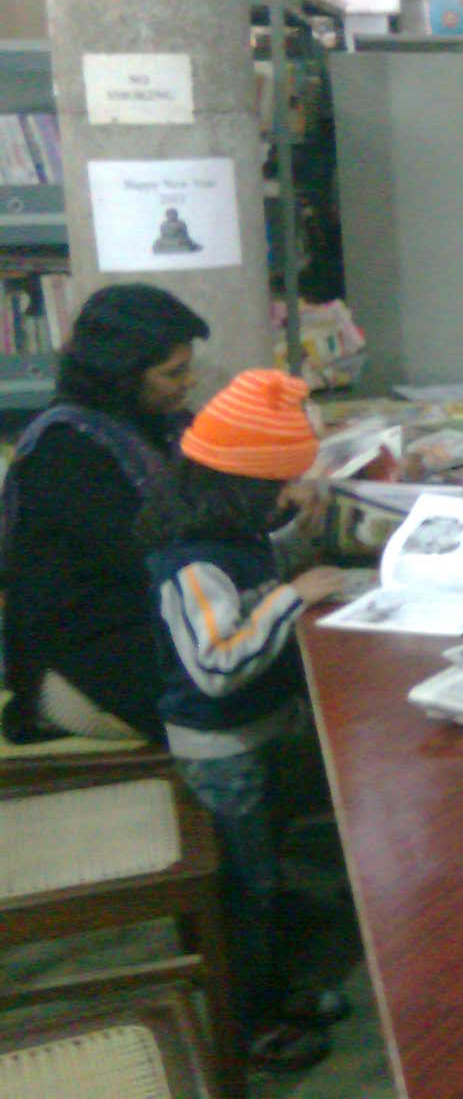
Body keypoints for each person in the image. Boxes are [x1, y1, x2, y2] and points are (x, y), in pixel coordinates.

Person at [134, 367, 349, 1072]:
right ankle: (250, 1022)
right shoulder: (191, 562)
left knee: (264, 874)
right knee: (245, 889)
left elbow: (251, 580)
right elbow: (217, 662)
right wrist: (291, 596)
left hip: (253, 737)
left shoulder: (227, 533)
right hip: (219, 748)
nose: (290, 495)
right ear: (241, 486)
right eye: (280, 487)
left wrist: (292, 546)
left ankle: (276, 992)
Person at [0, 283, 209, 743]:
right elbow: (153, 558)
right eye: (174, 373)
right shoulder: (66, 450)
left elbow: (213, 509)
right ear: (124, 374)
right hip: (88, 656)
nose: (188, 383)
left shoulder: (163, 425)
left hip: (147, 620)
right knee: (256, 685)